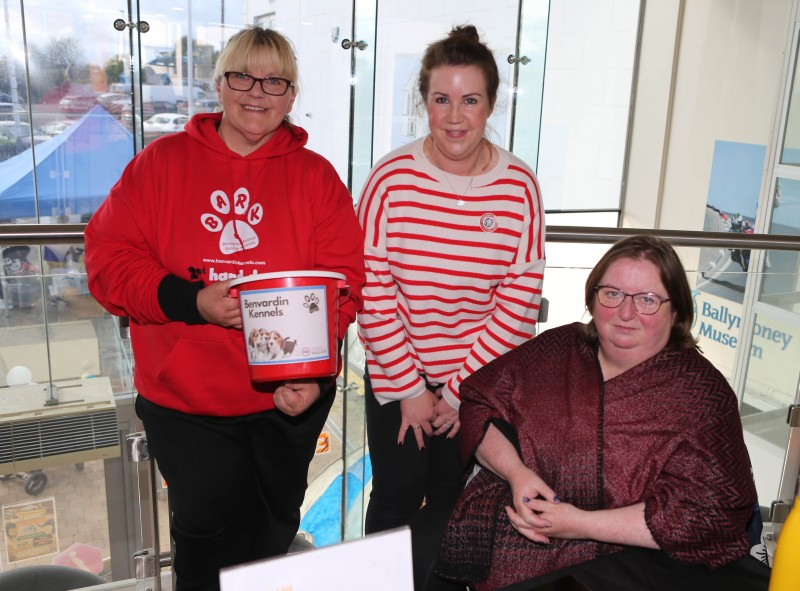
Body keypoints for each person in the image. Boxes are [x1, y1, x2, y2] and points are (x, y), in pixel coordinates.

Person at [84, 26, 365, 591]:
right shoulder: (160, 165)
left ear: (291, 95)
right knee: (206, 539)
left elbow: (344, 285)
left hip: (286, 399)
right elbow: (107, 262)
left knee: (272, 536)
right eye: (242, 76)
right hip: (187, 402)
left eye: (274, 81)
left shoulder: (316, 178)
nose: (256, 92)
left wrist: (313, 376)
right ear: (219, 84)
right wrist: (189, 301)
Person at [434, 235, 766, 591]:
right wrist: (517, 474)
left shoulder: (703, 395)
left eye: (648, 300)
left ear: (677, 311)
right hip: (511, 531)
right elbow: (480, 405)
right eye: (612, 294)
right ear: (592, 299)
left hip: (626, 565)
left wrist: (580, 524)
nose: (626, 313)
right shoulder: (557, 347)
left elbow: (710, 512)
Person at [356, 24, 546, 590]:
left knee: (450, 502)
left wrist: (459, 391)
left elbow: (517, 299)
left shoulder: (519, 188)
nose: (455, 116)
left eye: (470, 100)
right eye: (441, 99)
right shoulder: (391, 179)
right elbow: (373, 288)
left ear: (491, 104)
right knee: (392, 500)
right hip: (398, 378)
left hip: (478, 383)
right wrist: (413, 389)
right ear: (424, 103)